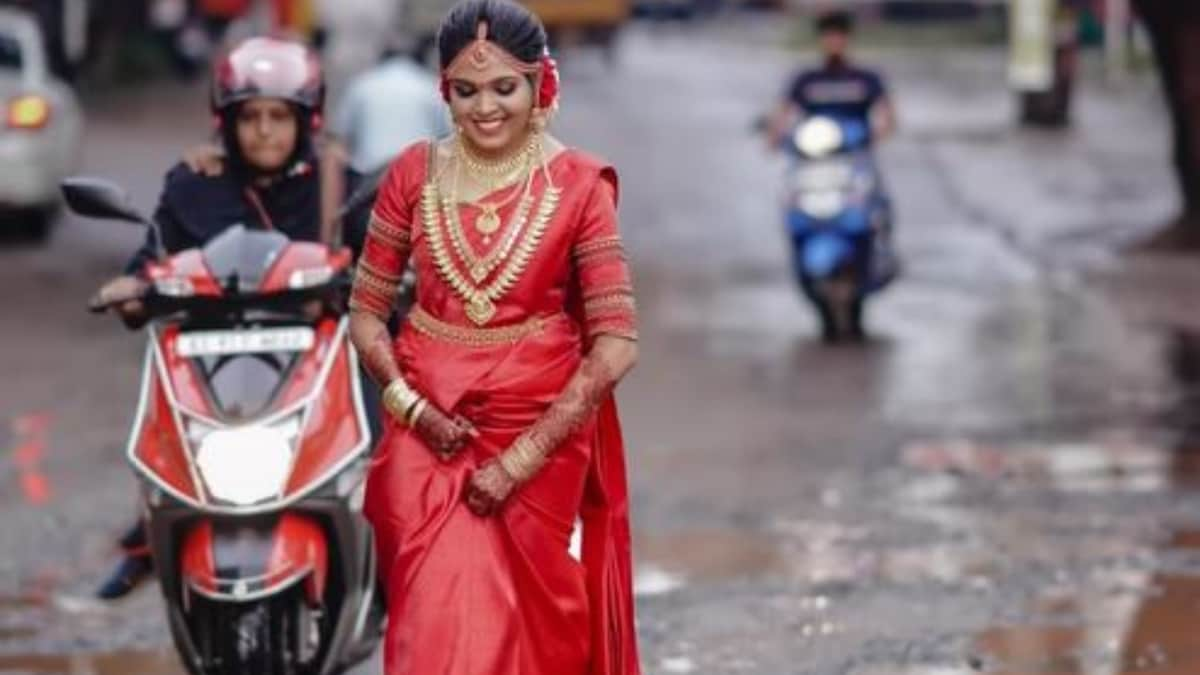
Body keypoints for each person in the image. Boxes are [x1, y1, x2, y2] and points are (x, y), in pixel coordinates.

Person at [346, 1, 642, 673]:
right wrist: (410, 405)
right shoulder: (412, 174)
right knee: (429, 618)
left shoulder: (578, 186)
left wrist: (523, 457)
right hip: (425, 434)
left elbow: (617, 341)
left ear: (541, 85)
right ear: (443, 91)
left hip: (536, 436)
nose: (485, 108)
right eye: (466, 90)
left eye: (504, 87)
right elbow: (366, 313)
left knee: (526, 629)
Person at [92, 35, 373, 599]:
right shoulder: (193, 185)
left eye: (278, 116)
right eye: (249, 116)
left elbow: (385, 260)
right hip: (211, 359)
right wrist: (129, 287)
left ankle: (387, 559)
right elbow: (150, 259)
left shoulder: (338, 185)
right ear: (226, 121)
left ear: (306, 120)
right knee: (159, 427)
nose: (264, 130)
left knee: (389, 446)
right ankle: (152, 536)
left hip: (315, 361)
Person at [768, 10, 896, 147]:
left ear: (847, 37)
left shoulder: (866, 78)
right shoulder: (805, 79)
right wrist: (776, 136)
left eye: (839, 35)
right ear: (820, 39)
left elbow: (887, 115)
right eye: (828, 35)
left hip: (855, 150)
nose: (834, 41)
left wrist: (877, 136)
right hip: (814, 146)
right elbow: (783, 114)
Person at [330, 33, 451, 174]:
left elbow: (338, 140)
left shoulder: (362, 83)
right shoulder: (431, 87)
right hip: (418, 177)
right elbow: (450, 138)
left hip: (368, 177)